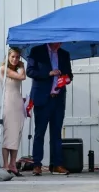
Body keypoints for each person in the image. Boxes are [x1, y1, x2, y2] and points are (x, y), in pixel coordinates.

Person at [26, 42, 73, 175]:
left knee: (56, 133)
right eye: (58, 41)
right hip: (42, 98)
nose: (60, 43)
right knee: (39, 133)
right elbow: (30, 71)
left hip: (58, 99)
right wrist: (49, 73)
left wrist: (66, 79)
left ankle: (56, 164)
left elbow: (70, 74)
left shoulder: (64, 54)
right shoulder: (37, 51)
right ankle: (37, 164)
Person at [0, 47, 27, 176]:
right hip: (8, 103)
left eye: (17, 57)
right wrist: (22, 66)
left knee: (16, 134)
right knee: (8, 133)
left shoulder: (16, 68)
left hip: (17, 102)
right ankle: (5, 164)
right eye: (13, 57)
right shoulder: (4, 69)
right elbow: (22, 76)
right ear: (8, 57)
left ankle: (13, 163)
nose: (15, 59)